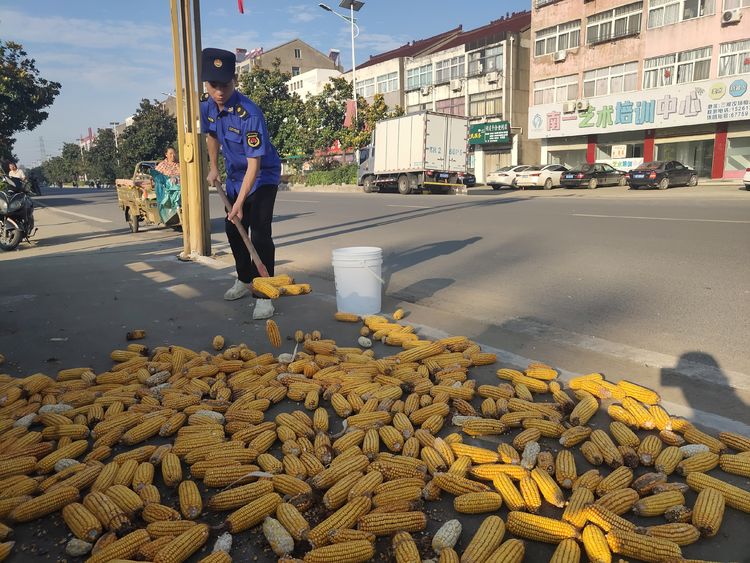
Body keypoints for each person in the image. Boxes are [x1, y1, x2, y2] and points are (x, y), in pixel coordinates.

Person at [199, 47, 281, 320]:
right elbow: (212, 136)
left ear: (235, 80)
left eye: (225, 85)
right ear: (206, 84)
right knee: (233, 230)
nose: (219, 92)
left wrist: (240, 203)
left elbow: (254, 166)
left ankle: (264, 293)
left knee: (259, 233)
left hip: (262, 177)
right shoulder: (207, 106)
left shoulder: (250, 114)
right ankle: (245, 279)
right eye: (213, 85)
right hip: (235, 177)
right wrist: (214, 167)